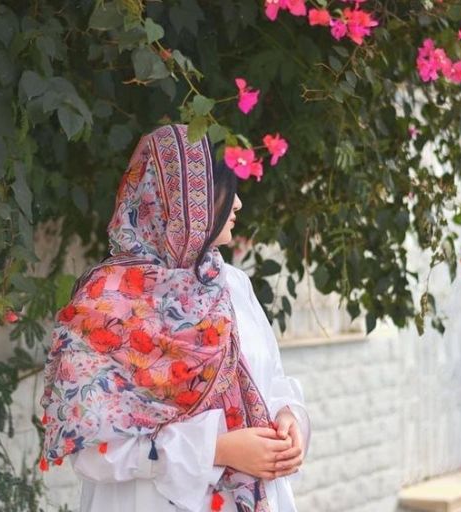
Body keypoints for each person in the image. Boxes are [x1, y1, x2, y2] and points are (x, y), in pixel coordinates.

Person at [40, 124, 311, 512]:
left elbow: (274, 382)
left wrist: (289, 421)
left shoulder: (232, 286)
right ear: (179, 198)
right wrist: (217, 450)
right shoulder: (107, 303)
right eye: (224, 191)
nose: (237, 205)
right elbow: (92, 451)